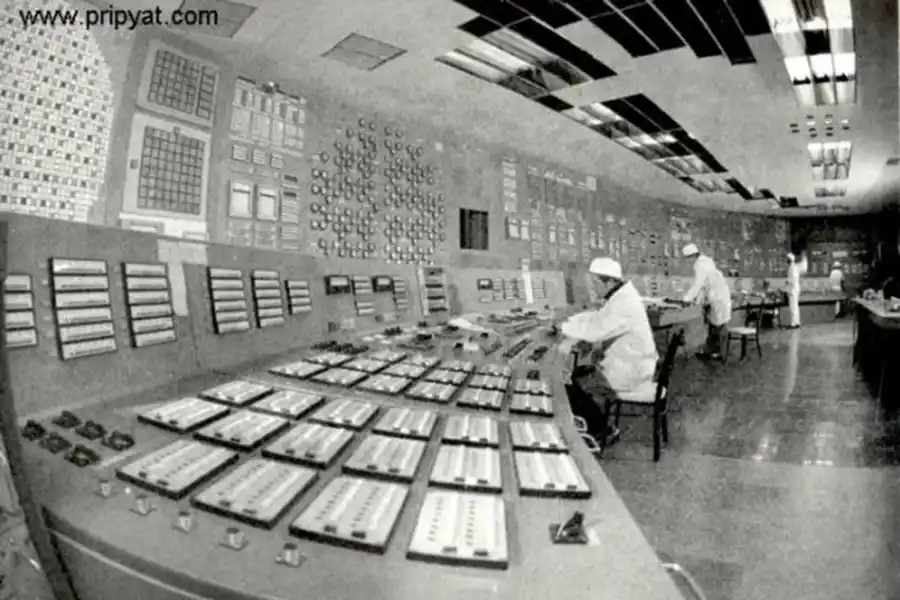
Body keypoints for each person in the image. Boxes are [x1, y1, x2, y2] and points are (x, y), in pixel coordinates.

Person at [560, 257, 659, 445]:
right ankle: (595, 425)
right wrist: (572, 320)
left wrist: (562, 328)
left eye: (596, 283)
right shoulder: (620, 296)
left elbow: (595, 331)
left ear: (611, 281)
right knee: (575, 375)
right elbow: (598, 318)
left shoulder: (624, 304)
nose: (593, 288)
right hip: (629, 363)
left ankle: (600, 430)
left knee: (567, 380)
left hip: (631, 370)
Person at [682, 243, 732, 361]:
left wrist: (687, 299)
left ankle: (720, 353)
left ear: (692, 256)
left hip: (718, 298)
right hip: (716, 297)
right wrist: (698, 300)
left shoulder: (701, 266)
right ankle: (710, 351)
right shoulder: (705, 262)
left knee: (719, 326)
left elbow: (698, 284)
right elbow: (704, 286)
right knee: (713, 325)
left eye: (688, 258)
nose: (688, 262)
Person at [786, 252, 808, 328]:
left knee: (793, 308)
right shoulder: (793, 266)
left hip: (793, 290)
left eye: (787, 259)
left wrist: (788, 281)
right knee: (795, 307)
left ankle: (793, 324)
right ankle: (797, 322)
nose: (786, 260)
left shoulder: (792, 267)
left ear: (790, 259)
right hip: (795, 289)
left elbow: (793, 279)